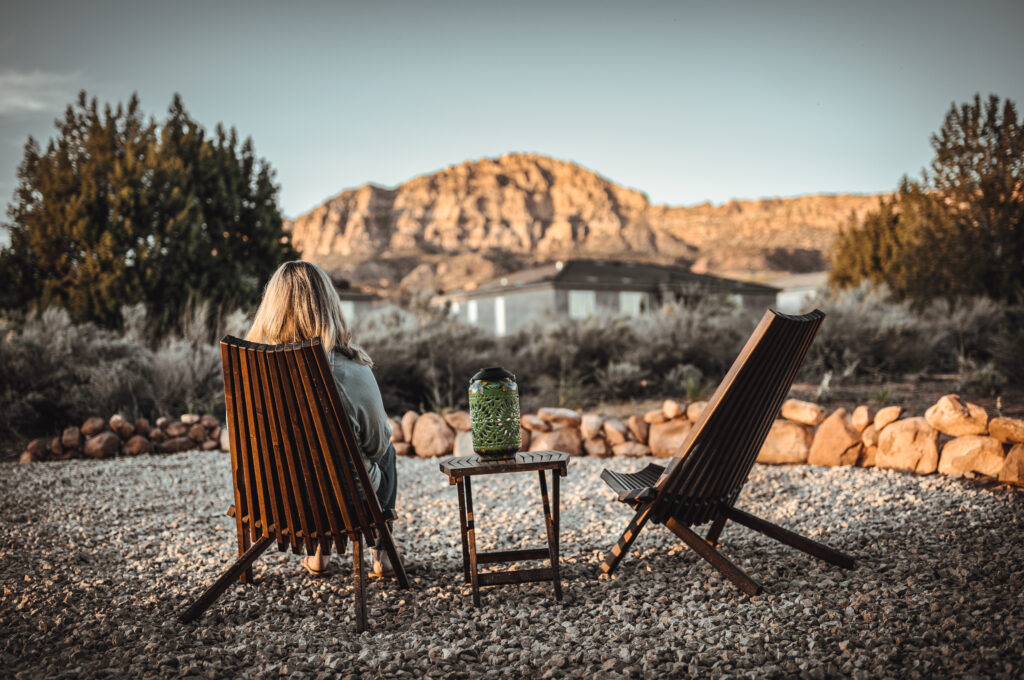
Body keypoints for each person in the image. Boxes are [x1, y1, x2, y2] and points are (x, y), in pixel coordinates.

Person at [246, 260, 398, 578]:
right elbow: (375, 445)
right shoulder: (350, 372)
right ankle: (382, 555)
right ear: (328, 305)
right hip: (346, 507)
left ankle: (319, 553)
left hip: (273, 501)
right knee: (386, 448)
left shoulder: (250, 371)